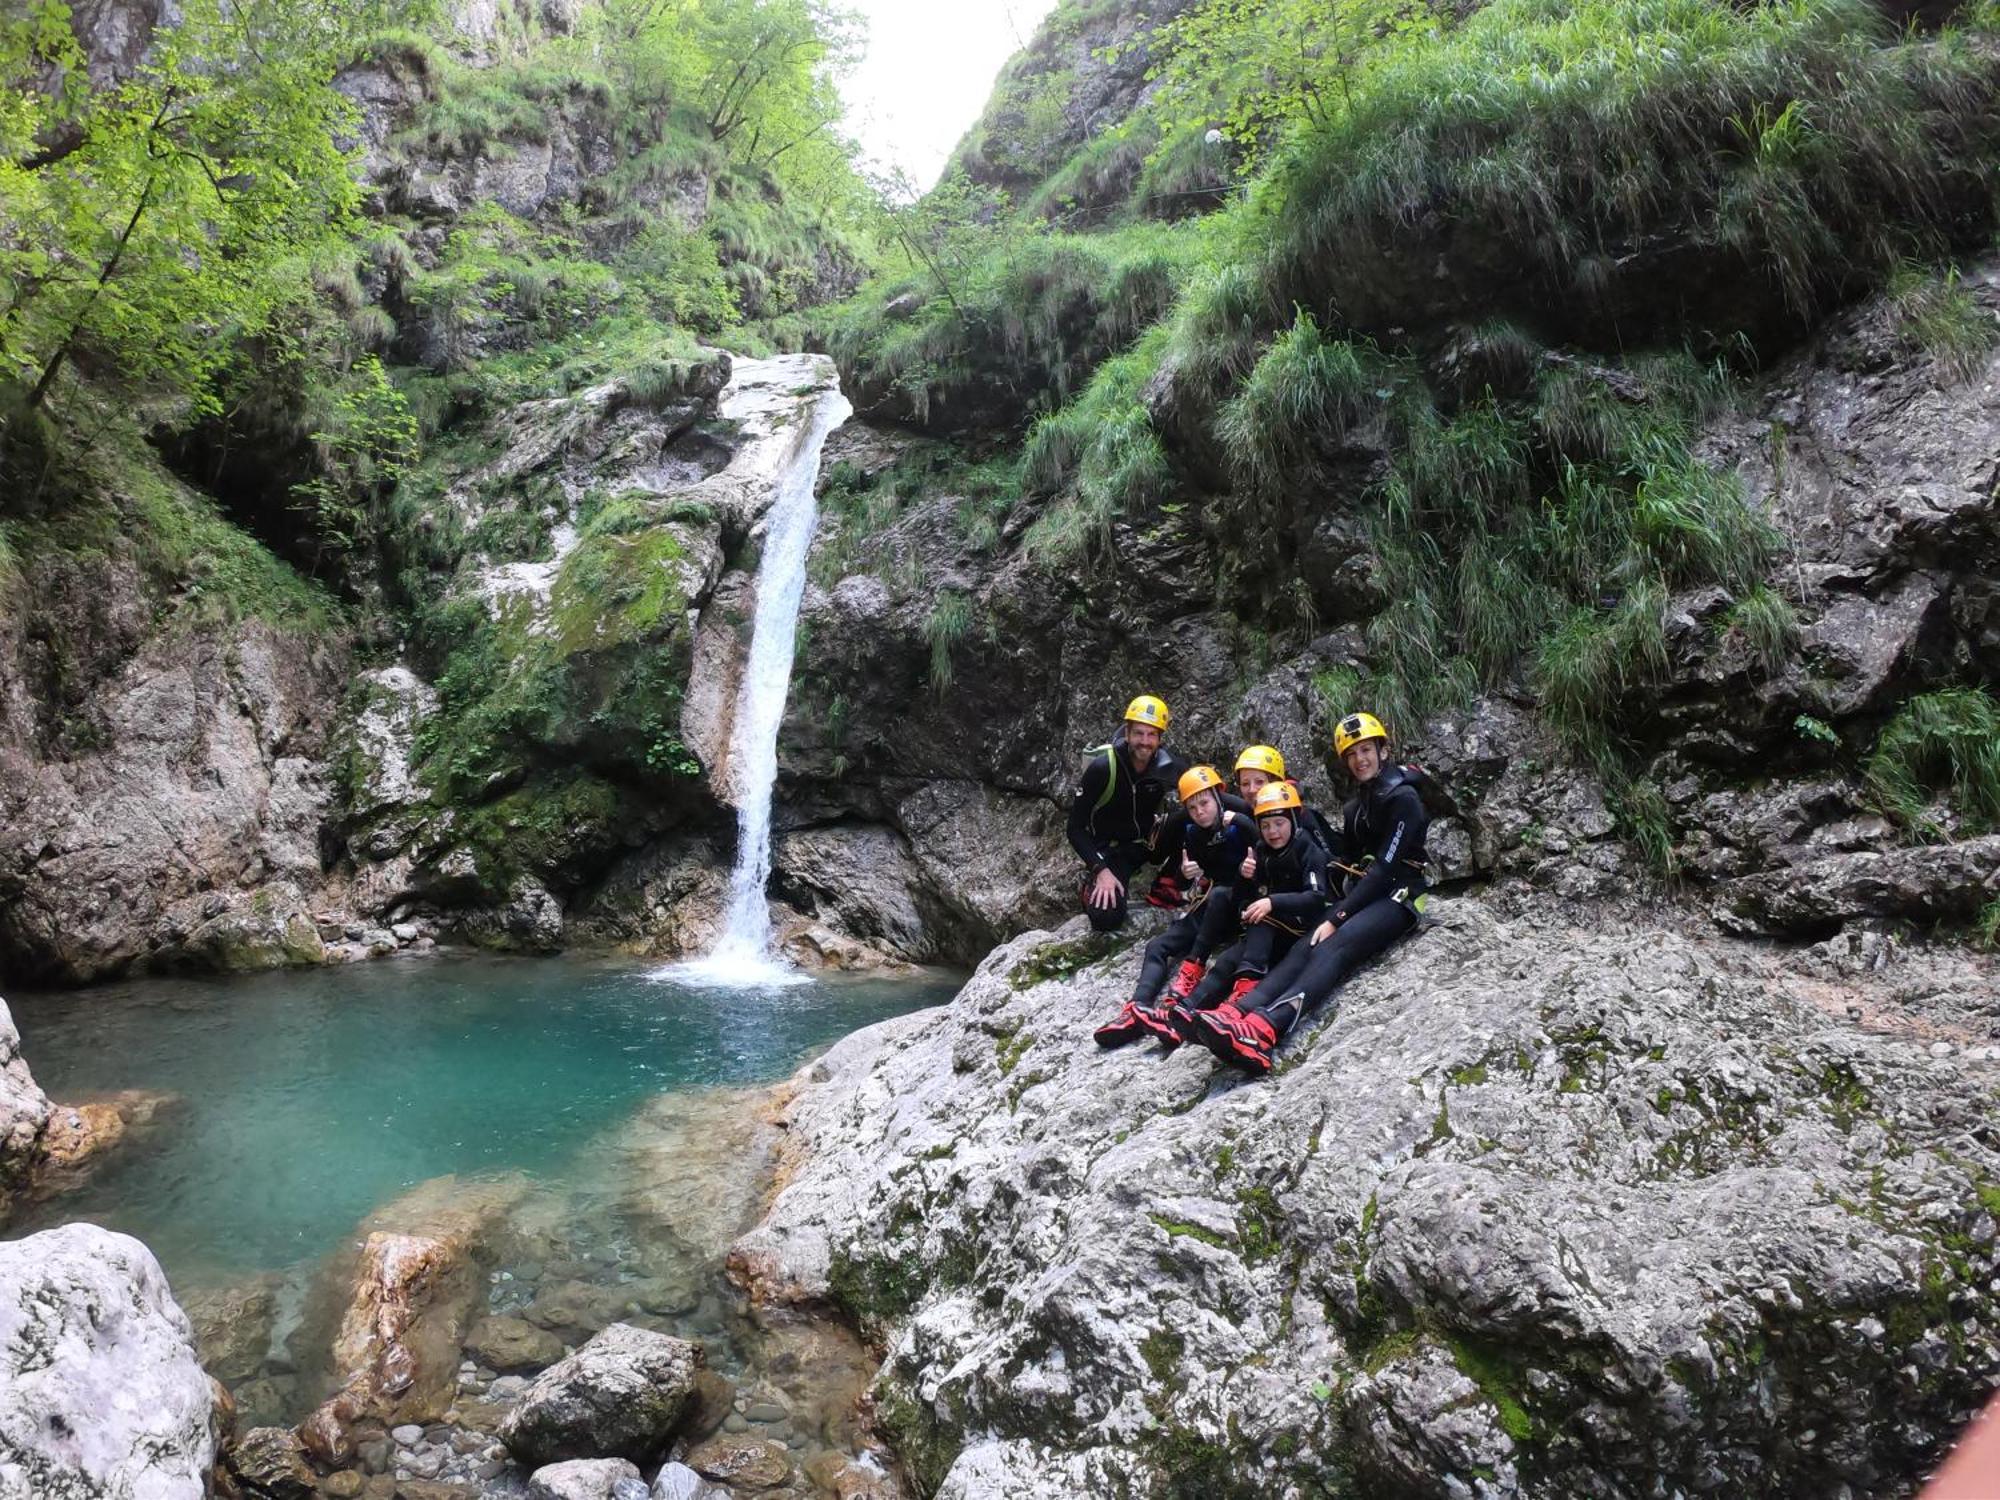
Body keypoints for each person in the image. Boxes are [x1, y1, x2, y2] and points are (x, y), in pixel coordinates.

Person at [1189, 711, 1430, 1076]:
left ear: (1383, 750)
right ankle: (1238, 1013)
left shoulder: (1403, 798)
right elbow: (1344, 860)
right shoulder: (1356, 807)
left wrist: (1337, 916)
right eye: (1351, 754)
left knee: (1338, 942)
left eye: (1366, 750)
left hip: (1401, 896)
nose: (1359, 759)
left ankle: (1267, 1026)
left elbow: (1384, 869)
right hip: (1367, 892)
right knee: (1306, 945)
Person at [1093, 765, 1255, 1047]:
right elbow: (1186, 874)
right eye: (1192, 807)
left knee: (1217, 900)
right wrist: (1188, 873)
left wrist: (1242, 823)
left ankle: (1176, 1004)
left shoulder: (1241, 813)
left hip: (1240, 904)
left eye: (1204, 803)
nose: (1199, 811)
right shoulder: (1191, 830)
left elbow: (1267, 848)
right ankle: (1137, 1008)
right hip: (1213, 905)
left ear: (1218, 797)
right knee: (1157, 946)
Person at [1066, 695, 1182, 933]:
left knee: (1196, 813)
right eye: (1138, 733)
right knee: (1106, 918)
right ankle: (1089, 887)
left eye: (1152, 735)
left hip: (1148, 842)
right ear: (1127, 734)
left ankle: (1167, 884)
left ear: (1160, 739)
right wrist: (1100, 870)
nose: (1145, 741)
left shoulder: (1166, 767)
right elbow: (1075, 828)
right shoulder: (1103, 768)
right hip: (1111, 850)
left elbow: (1205, 794)